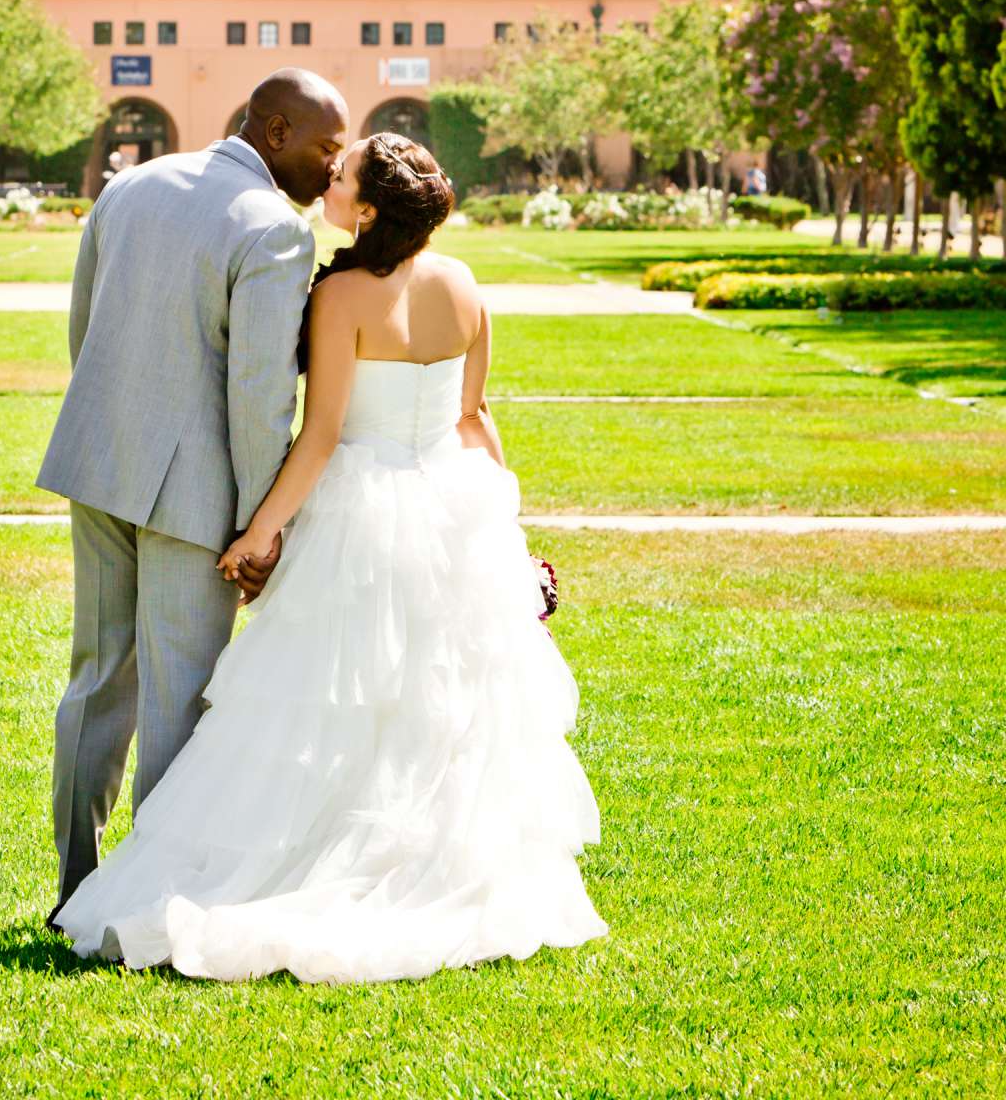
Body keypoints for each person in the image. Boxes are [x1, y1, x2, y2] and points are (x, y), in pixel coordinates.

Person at [52, 132, 605, 983]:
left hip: (361, 511)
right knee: (426, 708)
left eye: (342, 177)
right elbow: (474, 416)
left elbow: (317, 438)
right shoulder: (462, 285)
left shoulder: (341, 294)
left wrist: (258, 533)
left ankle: (292, 867)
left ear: (370, 209)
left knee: (326, 702)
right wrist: (504, 534)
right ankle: (417, 867)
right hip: (449, 507)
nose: (326, 183)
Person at [38, 68, 350, 915]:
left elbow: (84, 327)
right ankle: (150, 902)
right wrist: (261, 529)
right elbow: (259, 398)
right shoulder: (275, 231)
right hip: (194, 494)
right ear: (274, 133)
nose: (335, 167)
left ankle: (75, 886)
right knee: (179, 693)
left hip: (96, 462)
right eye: (326, 147)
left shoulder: (131, 185)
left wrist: (111, 428)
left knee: (98, 678)